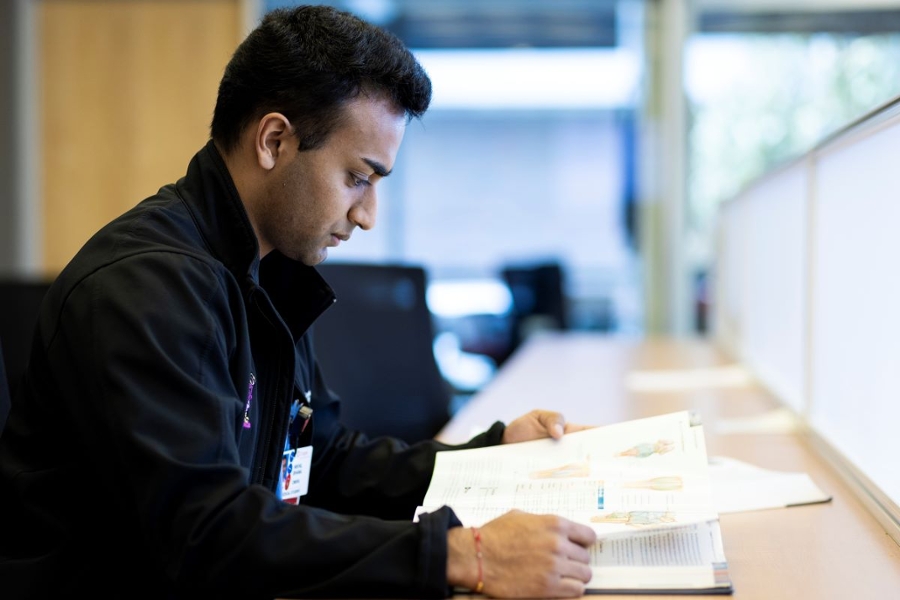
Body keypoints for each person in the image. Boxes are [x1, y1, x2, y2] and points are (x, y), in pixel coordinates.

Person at [0, 5, 597, 599]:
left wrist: (490, 459)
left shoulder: (267, 269)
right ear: (274, 140)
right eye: (358, 178)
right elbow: (208, 534)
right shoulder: (145, 290)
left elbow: (321, 461)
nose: (366, 216)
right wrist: (461, 553)